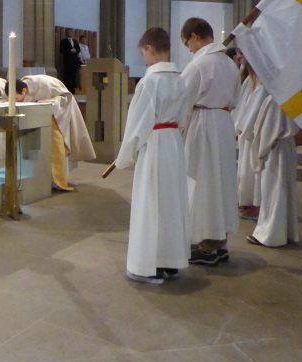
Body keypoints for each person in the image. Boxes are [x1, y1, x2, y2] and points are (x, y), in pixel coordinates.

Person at [114, 27, 191, 285]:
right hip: (173, 143)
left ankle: (150, 265)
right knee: (171, 203)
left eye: (143, 53)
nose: (144, 59)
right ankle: (171, 262)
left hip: (154, 144)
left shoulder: (149, 82)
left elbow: (137, 123)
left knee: (151, 204)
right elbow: (184, 117)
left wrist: (125, 155)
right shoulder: (180, 79)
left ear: (149, 48)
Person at [180, 17, 241, 265]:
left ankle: (206, 247)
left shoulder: (199, 65)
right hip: (224, 125)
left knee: (202, 183)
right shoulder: (230, 65)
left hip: (202, 124)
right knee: (222, 184)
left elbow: (181, 100)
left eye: (188, 43)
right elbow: (236, 99)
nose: (189, 49)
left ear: (195, 36)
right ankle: (220, 243)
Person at [10, 73, 95, 190]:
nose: (17, 101)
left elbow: (66, 97)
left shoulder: (44, 84)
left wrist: (50, 102)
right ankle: (43, 180)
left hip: (60, 117)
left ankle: (59, 181)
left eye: (17, 98)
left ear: (24, 91)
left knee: (58, 146)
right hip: (39, 121)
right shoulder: (18, 87)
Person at [247, 94, 299, 247]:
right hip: (287, 147)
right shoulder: (292, 96)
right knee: (285, 190)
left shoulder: (275, 100)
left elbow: (269, 131)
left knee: (273, 191)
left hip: (275, 150)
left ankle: (269, 234)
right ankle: (287, 232)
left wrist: (260, 152)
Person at [233, 63, 267, 220]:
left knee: (252, 169)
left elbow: (256, 106)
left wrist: (245, 127)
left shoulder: (263, 81)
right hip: (245, 130)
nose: (240, 57)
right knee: (245, 169)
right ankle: (246, 202)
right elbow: (241, 104)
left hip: (255, 132)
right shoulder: (249, 79)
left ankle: (255, 205)